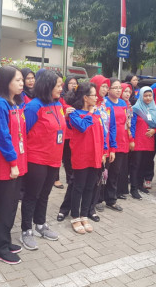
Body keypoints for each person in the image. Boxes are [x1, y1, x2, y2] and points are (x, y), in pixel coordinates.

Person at [21, 70, 66, 250]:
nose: (61, 89)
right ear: (48, 86)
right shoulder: (33, 107)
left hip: (54, 159)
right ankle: (26, 230)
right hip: (36, 159)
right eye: (58, 86)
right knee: (32, 195)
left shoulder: (57, 105)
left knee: (45, 194)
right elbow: (22, 134)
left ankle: (40, 224)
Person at [0, 65, 27, 264]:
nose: (22, 83)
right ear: (6, 82)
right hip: (5, 164)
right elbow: (3, 137)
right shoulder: (0, 104)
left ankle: (6, 240)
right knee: (4, 206)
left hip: (16, 162)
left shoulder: (16, 103)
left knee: (12, 205)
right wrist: (12, 162)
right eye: (17, 80)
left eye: (22, 80)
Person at [64, 82, 107, 234]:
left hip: (95, 156)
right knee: (79, 187)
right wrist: (90, 113)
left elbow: (102, 133)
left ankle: (84, 215)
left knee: (90, 187)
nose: (97, 97)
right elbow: (82, 126)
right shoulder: (74, 114)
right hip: (81, 156)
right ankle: (75, 217)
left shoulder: (97, 113)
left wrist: (104, 152)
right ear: (85, 98)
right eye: (94, 95)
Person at [88, 75, 116, 222]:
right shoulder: (88, 104)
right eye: (103, 86)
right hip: (90, 147)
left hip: (105, 148)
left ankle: (92, 206)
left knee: (100, 178)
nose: (105, 89)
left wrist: (112, 148)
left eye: (107, 86)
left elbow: (112, 128)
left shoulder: (107, 105)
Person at [129, 87, 156, 200]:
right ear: (141, 96)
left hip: (149, 141)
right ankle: (133, 188)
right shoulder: (135, 109)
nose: (148, 98)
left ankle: (139, 185)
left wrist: (154, 130)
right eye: (145, 95)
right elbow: (131, 126)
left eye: (150, 95)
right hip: (138, 141)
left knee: (144, 164)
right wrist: (131, 140)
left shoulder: (154, 109)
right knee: (135, 165)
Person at [102, 78, 129, 210]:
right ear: (108, 89)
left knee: (115, 172)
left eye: (120, 88)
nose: (119, 90)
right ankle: (98, 199)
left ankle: (111, 199)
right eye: (115, 87)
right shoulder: (104, 103)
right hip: (107, 143)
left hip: (121, 142)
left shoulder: (123, 103)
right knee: (103, 172)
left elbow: (126, 122)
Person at [57, 77, 78, 221]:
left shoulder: (94, 108)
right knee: (71, 173)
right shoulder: (61, 99)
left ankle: (84, 209)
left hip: (79, 143)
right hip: (64, 136)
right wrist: (66, 115)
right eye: (71, 83)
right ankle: (66, 209)